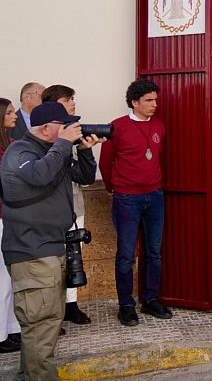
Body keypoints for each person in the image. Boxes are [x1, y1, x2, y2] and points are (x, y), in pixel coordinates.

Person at [1, 102, 100, 380]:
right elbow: (39, 175)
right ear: (46, 128)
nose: (71, 128)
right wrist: (63, 144)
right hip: (31, 251)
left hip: (52, 247)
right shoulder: (19, 152)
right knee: (41, 325)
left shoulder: (52, 152)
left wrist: (84, 151)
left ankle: (29, 375)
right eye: (64, 124)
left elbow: (84, 177)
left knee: (44, 326)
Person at [99, 79, 172, 327]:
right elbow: (106, 162)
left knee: (154, 252)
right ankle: (126, 306)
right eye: (149, 100)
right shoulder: (117, 127)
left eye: (155, 100)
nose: (154, 104)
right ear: (134, 102)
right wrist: (112, 189)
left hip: (155, 195)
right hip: (127, 198)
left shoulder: (159, 126)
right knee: (126, 254)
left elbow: (157, 158)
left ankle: (150, 299)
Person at [39, 85, 92, 326]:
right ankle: (52, 313)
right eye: (67, 100)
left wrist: (84, 151)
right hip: (49, 212)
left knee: (74, 259)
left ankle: (71, 306)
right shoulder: (41, 138)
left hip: (74, 206)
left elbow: (84, 176)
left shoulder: (73, 131)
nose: (73, 103)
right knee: (51, 263)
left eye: (73, 99)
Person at [0, 99, 22, 354]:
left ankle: (12, 329)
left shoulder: (11, 143)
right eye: (8, 112)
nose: (14, 115)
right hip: (2, 216)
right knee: (2, 278)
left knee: (11, 275)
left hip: (12, 216)